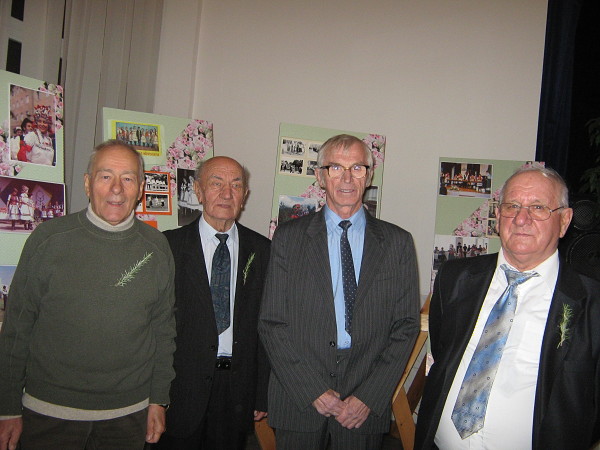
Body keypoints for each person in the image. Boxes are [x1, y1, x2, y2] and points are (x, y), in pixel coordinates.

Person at [0, 140, 176, 450]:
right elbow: (17, 328)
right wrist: (7, 407)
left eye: (128, 178)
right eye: (105, 176)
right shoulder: (48, 240)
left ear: (140, 188)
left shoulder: (157, 248)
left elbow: (163, 331)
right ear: (87, 183)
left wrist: (158, 399)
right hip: (48, 413)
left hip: (129, 416)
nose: (116, 189)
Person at [415, 166, 600, 449]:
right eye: (512, 206)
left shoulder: (591, 302)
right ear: (499, 216)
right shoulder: (455, 277)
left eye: (538, 207)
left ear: (564, 221)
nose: (521, 219)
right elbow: (444, 353)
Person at [259, 134, 420, 449]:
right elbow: (272, 322)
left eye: (357, 168)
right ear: (320, 177)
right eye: (336, 168)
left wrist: (368, 396)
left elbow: (405, 326)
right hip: (300, 396)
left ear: (369, 176)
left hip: (364, 401)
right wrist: (313, 391)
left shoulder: (397, 243)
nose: (347, 178)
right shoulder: (288, 238)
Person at [156, 156, 270, 450]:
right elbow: (154, 326)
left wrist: (261, 392)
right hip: (180, 388)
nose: (227, 193)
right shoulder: (168, 246)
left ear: (245, 195)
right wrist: (155, 396)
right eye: (216, 183)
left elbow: (267, 326)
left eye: (236, 185)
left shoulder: (263, 250)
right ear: (198, 190)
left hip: (236, 390)